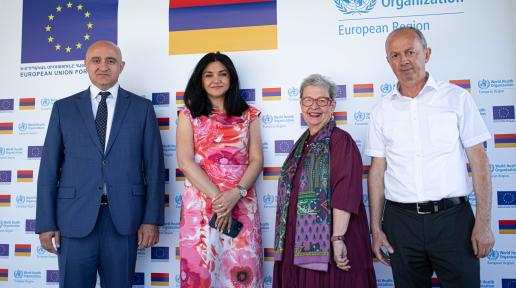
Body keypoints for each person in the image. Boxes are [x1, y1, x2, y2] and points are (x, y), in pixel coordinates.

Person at [366, 27, 494, 288]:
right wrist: (376, 229)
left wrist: (483, 223)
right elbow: (377, 171)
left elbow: (479, 162)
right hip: (401, 224)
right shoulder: (381, 110)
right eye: (395, 55)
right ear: (388, 61)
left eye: (410, 52)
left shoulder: (457, 99)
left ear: (427, 53)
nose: (404, 61)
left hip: (453, 222)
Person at [36, 40, 165, 287]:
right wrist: (46, 223)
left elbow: (154, 169)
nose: (103, 66)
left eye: (111, 61)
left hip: (124, 220)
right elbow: (49, 169)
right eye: (96, 60)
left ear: (121, 66)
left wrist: (151, 219)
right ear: (86, 65)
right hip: (73, 220)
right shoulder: (63, 108)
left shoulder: (142, 108)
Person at [273, 74, 377, 288]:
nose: (314, 107)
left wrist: (337, 238)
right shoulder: (303, 144)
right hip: (300, 244)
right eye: (308, 100)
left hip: (333, 243)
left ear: (332, 105)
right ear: (301, 104)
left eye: (322, 100)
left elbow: (345, 192)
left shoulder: (341, 141)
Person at [176, 52, 264, 287]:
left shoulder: (249, 115)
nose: (216, 80)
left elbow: (256, 160)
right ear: (200, 80)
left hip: (241, 202)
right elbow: (185, 162)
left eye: (222, 74)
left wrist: (235, 194)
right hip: (201, 205)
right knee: (201, 274)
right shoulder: (188, 115)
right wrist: (219, 199)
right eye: (209, 75)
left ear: (231, 78)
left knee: (241, 271)